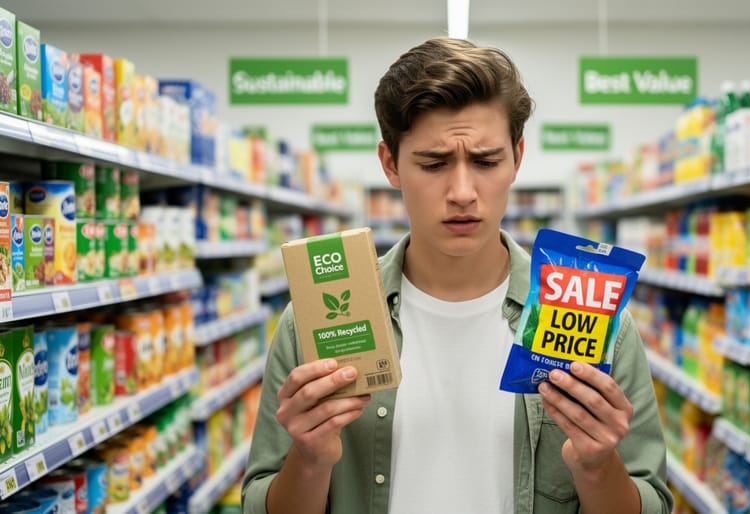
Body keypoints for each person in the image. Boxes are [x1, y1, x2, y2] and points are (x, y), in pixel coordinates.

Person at [241, 37, 673, 514]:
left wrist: (596, 467)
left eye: (487, 161)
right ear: (391, 165)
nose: (463, 192)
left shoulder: (595, 317)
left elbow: (650, 501)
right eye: (434, 163)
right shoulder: (315, 322)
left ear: (517, 158)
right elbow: (259, 501)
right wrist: (308, 460)